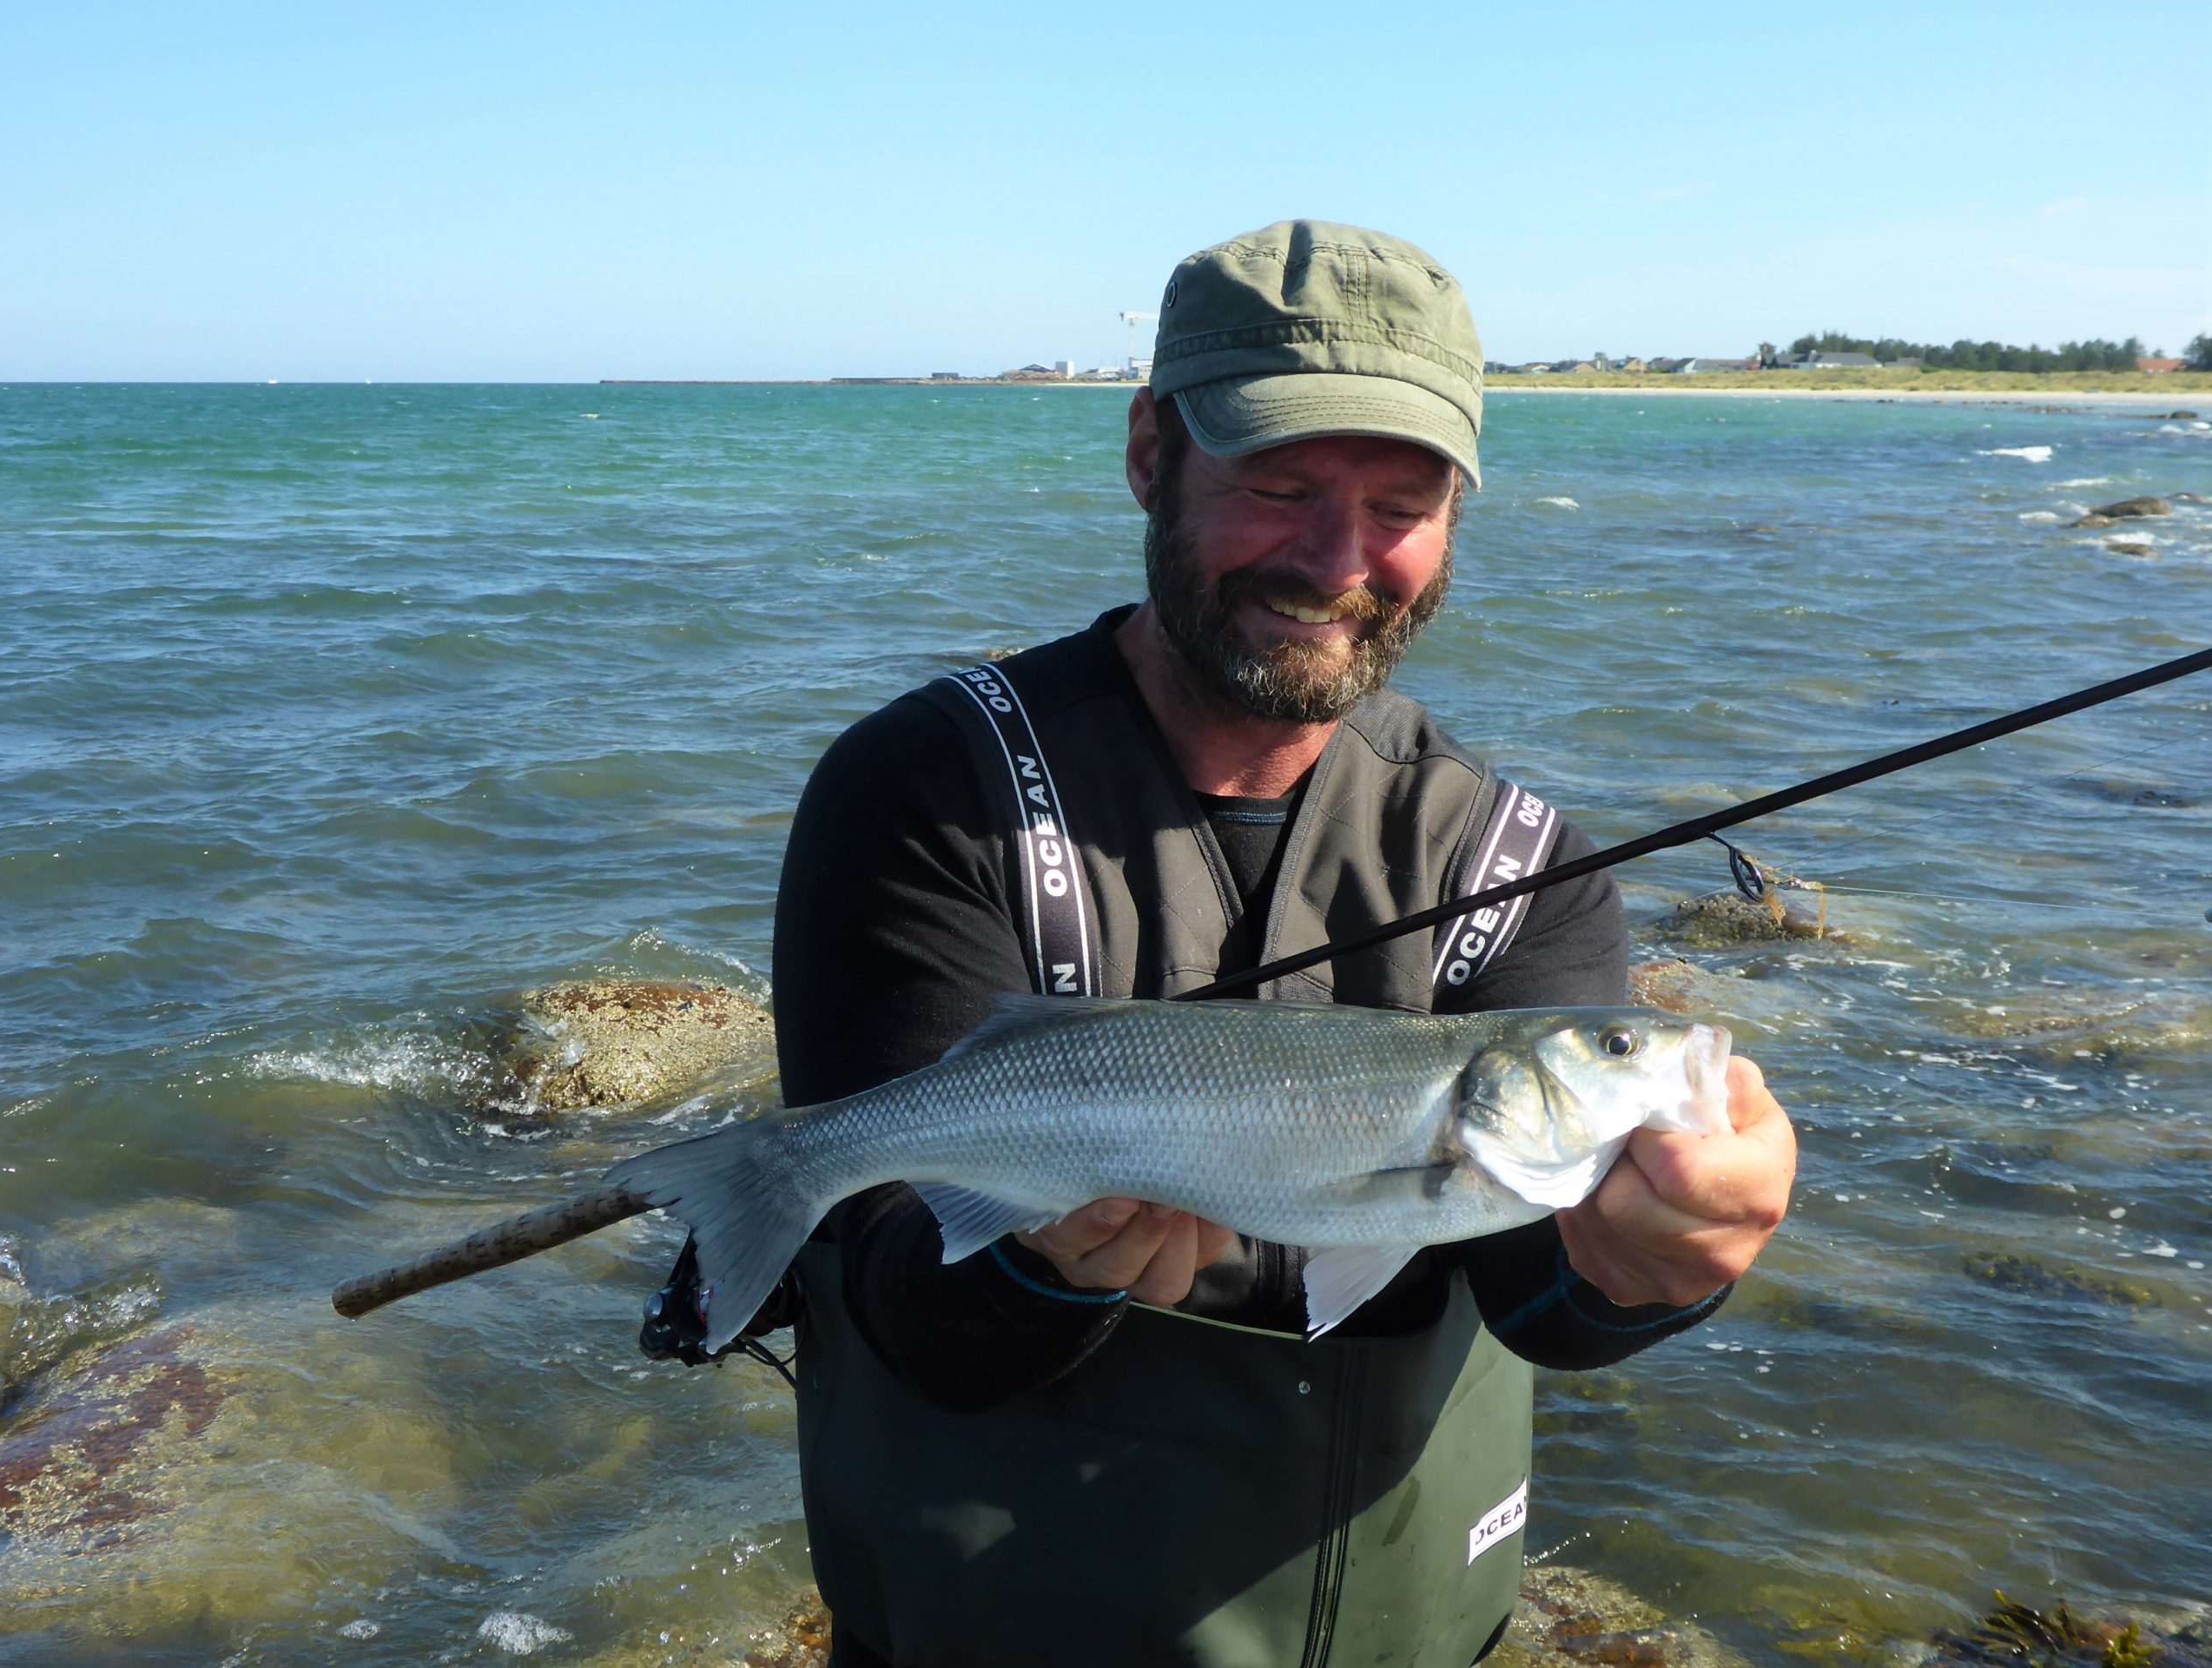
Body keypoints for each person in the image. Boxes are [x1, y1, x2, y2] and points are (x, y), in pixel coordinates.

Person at [653, 221, 1796, 1667]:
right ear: (1149, 454)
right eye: (1279, 483)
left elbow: (1536, 1300)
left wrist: (1658, 1266)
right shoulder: (928, 793)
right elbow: (901, 1306)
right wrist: (1047, 1265)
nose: (1338, 558)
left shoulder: (1525, 867)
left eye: (1403, 502)